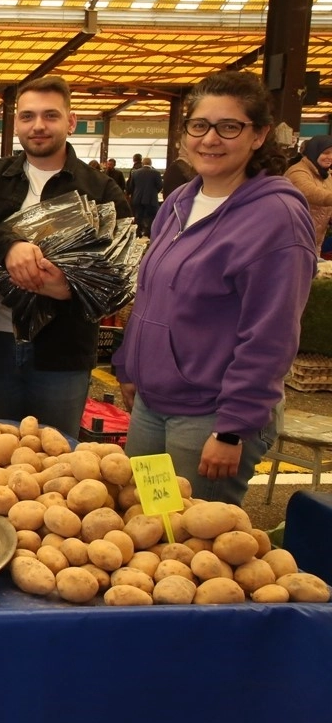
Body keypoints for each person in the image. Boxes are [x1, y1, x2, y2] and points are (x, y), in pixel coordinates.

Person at [114, 71, 315, 505]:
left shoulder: (276, 218)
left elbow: (271, 335)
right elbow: (151, 293)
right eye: (199, 125)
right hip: (152, 405)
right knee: (148, 518)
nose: (210, 139)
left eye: (229, 127)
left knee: (192, 542)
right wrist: (129, 366)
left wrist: (233, 427)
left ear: (259, 135)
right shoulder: (181, 200)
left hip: (210, 415)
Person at [0, 78, 131, 438]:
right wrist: (9, 245)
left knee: (58, 455)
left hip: (64, 348)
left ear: (71, 121)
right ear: (16, 124)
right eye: (28, 116)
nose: (38, 126)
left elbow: (121, 273)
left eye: (50, 115)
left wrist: (71, 289)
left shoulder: (100, 188)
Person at [285, 134, 332, 251]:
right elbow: (311, 192)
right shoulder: (298, 171)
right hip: (294, 239)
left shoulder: (325, 174)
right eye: (326, 153)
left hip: (315, 239)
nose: (330, 157)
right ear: (314, 151)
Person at [127, 152, 162, 236]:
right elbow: (160, 186)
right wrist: (154, 192)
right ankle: (148, 232)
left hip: (137, 198)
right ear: (151, 163)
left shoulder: (135, 173)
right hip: (151, 199)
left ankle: (138, 232)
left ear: (143, 163)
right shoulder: (156, 173)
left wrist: (132, 194)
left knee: (138, 216)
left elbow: (131, 186)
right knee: (151, 217)